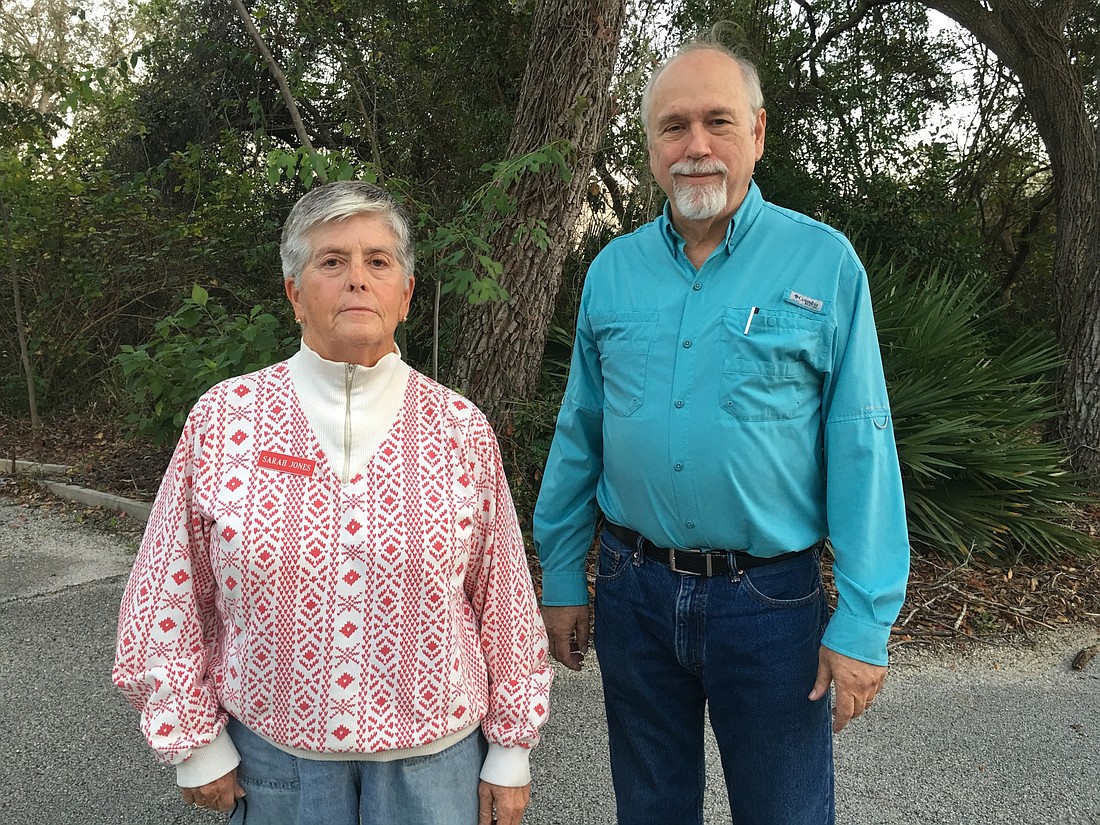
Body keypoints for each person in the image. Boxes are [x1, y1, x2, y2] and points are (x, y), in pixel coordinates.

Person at [532, 41, 910, 825]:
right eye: (674, 126)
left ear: (759, 132)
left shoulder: (824, 262)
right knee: (649, 808)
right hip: (634, 590)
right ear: (649, 147)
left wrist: (866, 620)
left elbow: (861, 441)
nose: (695, 145)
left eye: (717, 122)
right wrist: (563, 572)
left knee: (785, 812)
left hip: (769, 600)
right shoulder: (612, 271)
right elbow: (582, 430)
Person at [114, 180, 552, 825]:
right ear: (294, 292)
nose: (357, 280)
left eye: (378, 261)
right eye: (331, 261)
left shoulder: (460, 427)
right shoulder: (226, 419)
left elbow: (504, 597)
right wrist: (196, 742)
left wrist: (511, 748)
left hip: (435, 767)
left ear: (405, 293)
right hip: (274, 763)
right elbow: (168, 588)